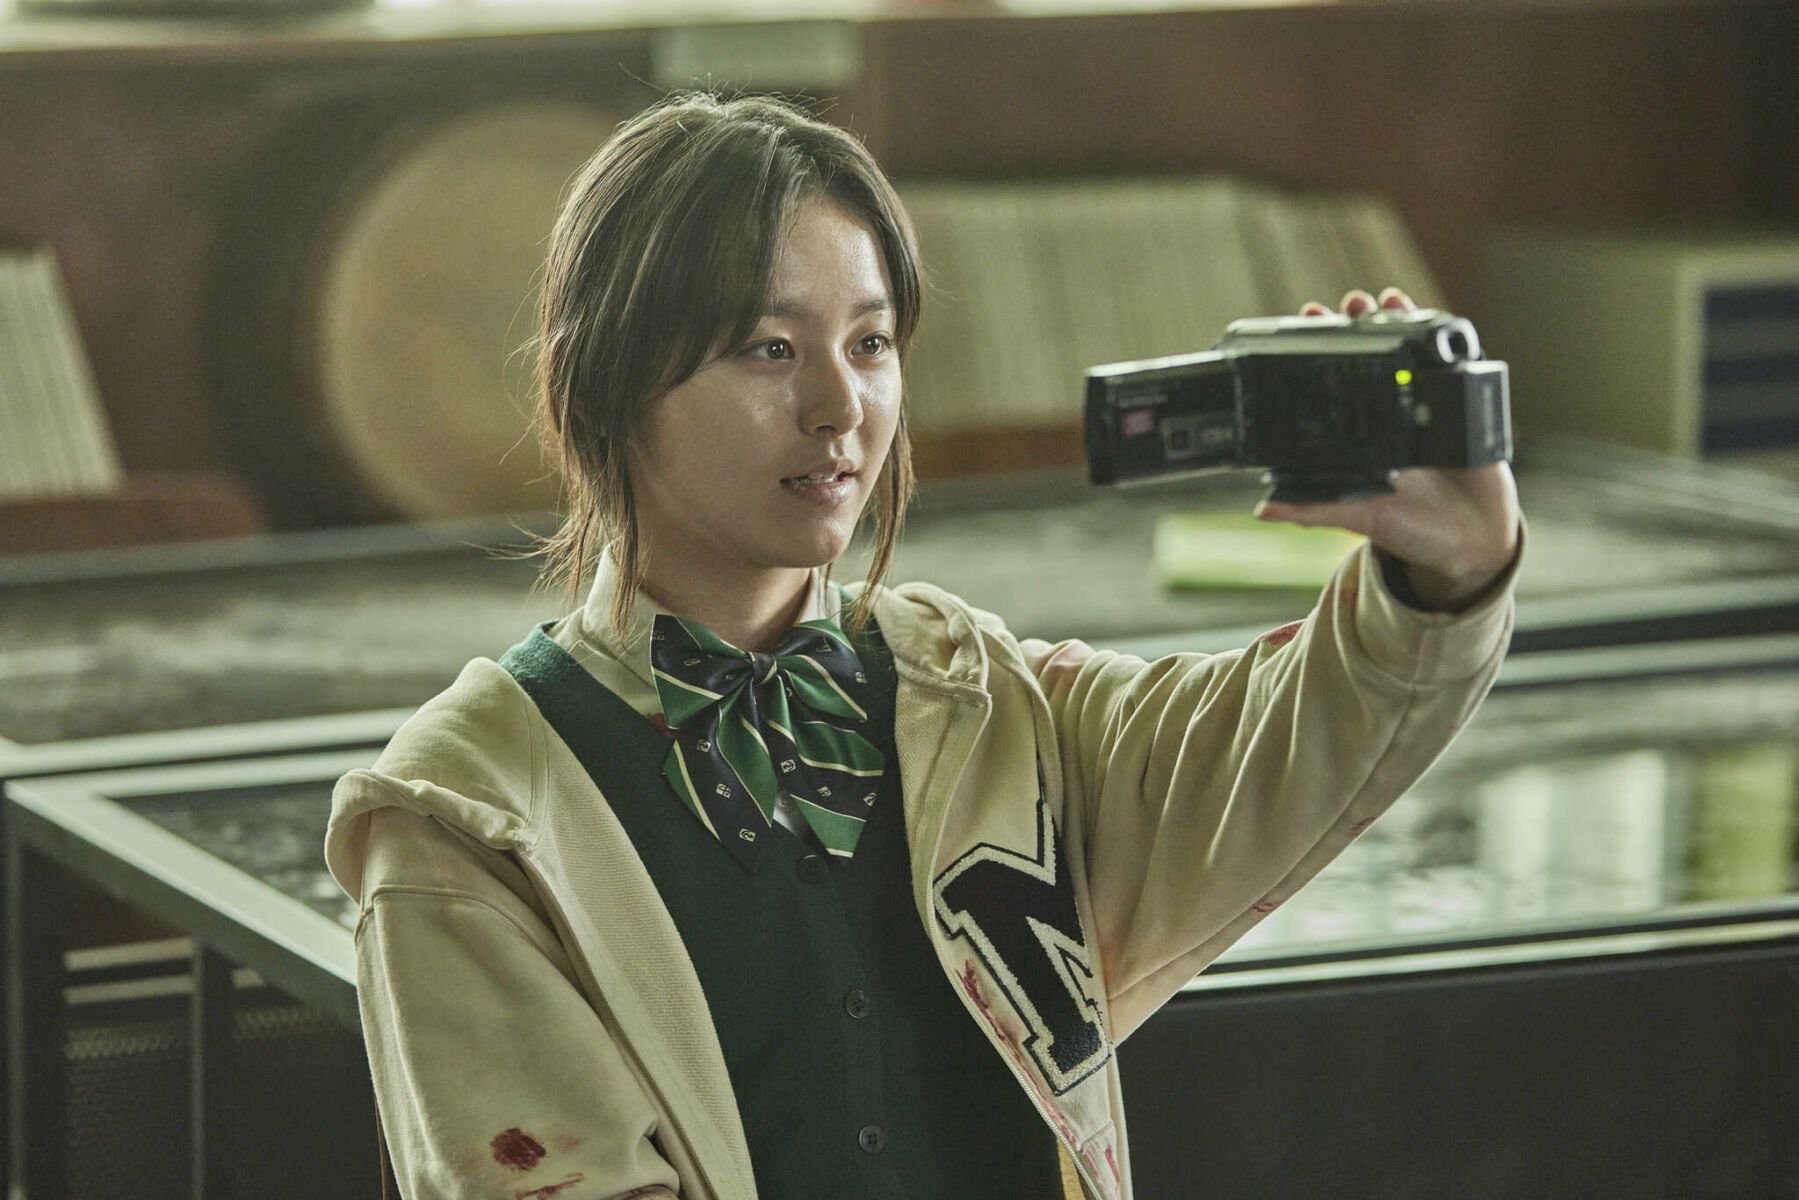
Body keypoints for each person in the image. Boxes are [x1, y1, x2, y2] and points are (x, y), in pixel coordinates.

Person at [324, 91, 1523, 1200]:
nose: (839, 408)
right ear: (603, 378)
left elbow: (1271, 748)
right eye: (768, 347)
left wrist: (1440, 573)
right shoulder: (466, 814)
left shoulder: (969, 693)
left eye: (871, 342)